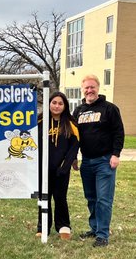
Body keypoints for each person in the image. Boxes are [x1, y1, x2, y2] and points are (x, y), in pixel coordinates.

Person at [73, 74, 124, 247]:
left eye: (92, 87)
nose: (89, 90)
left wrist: (116, 154)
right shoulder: (78, 111)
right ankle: (94, 228)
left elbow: (119, 132)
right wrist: (74, 157)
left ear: (98, 88)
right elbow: (74, 137)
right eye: (86, 87)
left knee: (104, 199)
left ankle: (102, 235)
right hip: (86, 162)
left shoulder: (109, 109)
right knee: (91, 198)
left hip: (105, 161)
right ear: (83, 90)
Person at [44, 91, 80, 240]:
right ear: (49, 103)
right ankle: (43, 227)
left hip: (62, 169)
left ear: (65, 106)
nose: (57, 106)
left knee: (60, 197)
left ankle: (63, 226)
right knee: (44, 197)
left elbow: (74, 147)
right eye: (54, 102)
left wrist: (65, 167)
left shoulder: (70, 124)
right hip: (43, 169)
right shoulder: (40, 121)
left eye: (60, 103)